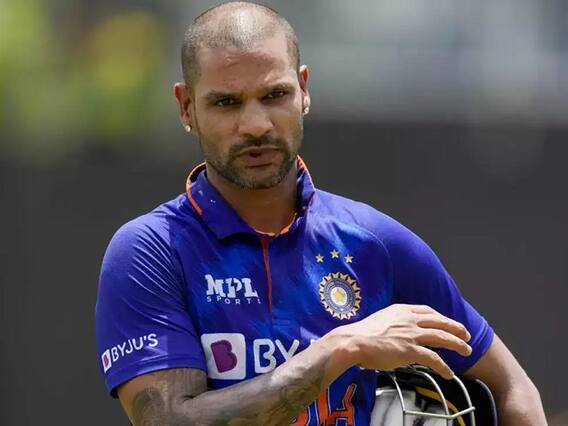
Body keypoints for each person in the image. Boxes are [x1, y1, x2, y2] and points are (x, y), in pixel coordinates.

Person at [95, 2, 547, 425]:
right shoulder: (152, 251)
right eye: (227, 102)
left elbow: (512, 387)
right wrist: (342, 348)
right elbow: (169, 420)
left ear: (304, 90)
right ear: (186, 107)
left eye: (275, 94)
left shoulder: (373, 242)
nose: (256, 124)